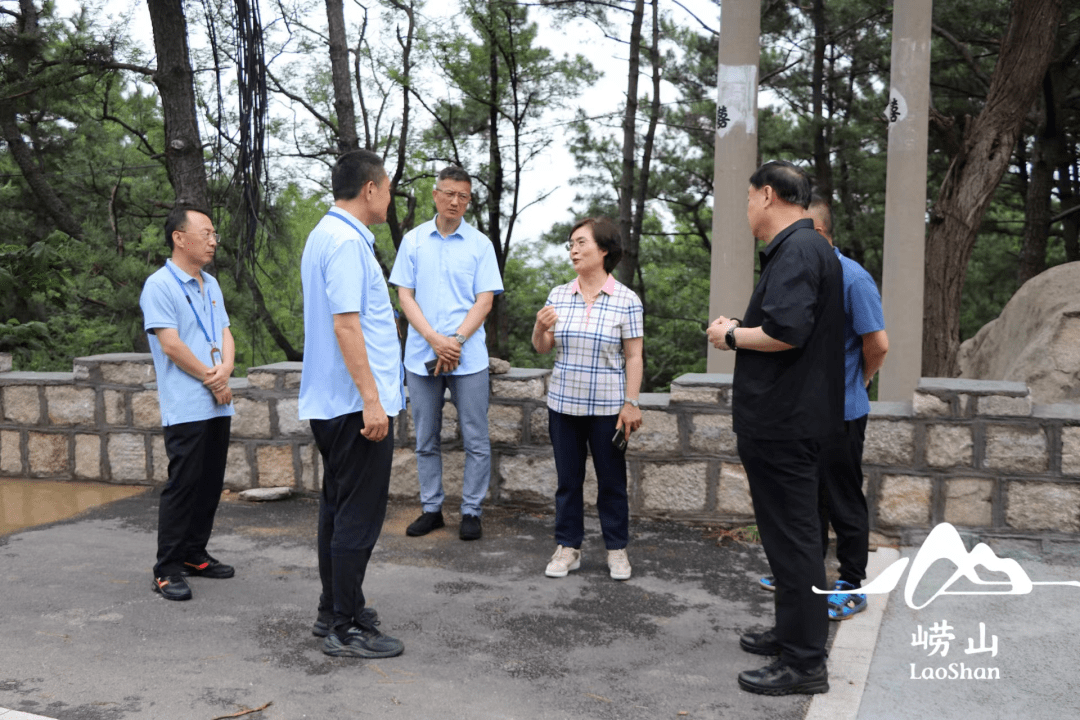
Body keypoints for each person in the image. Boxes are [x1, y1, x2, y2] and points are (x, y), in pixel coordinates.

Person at [707, 161, 844, 696]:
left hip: (786, 425)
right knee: (790, 540)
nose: (745, 209)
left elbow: (786, 332)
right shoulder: (807, 250)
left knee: (795, 543)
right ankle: (792, 637)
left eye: (747, 198)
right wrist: (743, 330)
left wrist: (730, 337)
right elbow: (796, 327)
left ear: (767, 195)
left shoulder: (799, 250)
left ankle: (805, 664)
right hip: (792, 421)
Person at [757, 196, 889, 622]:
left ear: (815, 232)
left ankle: (851, 583)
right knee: (806, 499)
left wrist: (858, 383)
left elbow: (878, 344)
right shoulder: (801, 278)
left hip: (842, 413)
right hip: (804, 413)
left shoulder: (853, 278)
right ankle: (805, 574)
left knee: (843, 499)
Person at [298, 149, 406, 659]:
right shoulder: (345, 243)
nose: (389, 197)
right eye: (387, 188)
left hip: (334, 402)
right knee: (356, 518)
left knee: (338, 512)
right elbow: (347, 324)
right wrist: (372, 401)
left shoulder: (328, 235)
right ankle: (344, 627)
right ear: (369, 189)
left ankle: (335, 608)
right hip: (353, 404)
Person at [389, 166, 504, 541]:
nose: (456, 201)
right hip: (422, 356)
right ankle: (431, 508)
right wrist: (433, 339)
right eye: (449, 193)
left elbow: (484, 300)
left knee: (476, 437)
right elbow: (405, 295)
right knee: (425, 438)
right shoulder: (414, 240)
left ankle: (471, 510)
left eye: (464, 196)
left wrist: (453, 340)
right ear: (435, 194)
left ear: (469, 201)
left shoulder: (480, 245)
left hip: (467, 358)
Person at [532, 217, 643, 581]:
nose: (573, 250)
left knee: (612, 482)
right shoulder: (559, 295)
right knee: (568, 480)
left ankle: (616, 549)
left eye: (581, 243)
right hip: (563, 404)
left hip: (609, 408)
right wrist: (539, 327)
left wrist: (632, 402)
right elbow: (542, 348)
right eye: (571, 244)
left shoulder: (626, 300)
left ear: (604, 249)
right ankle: (568, 547)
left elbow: (634, 357)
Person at [140, 205, 236, 602]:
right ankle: (167, 568)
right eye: (206, 233)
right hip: (187, 402)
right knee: (183, 485)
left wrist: (226, 368)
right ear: (180, 238)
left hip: (218, 399)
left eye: (215, 234)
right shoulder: (159, 285)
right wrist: (211, 378)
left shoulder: (210, 285)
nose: (214, 240)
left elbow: (226, 332)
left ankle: (195, 553)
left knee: (210, 482)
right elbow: (171, 344)